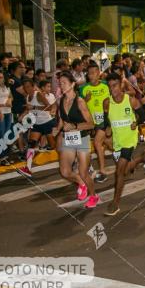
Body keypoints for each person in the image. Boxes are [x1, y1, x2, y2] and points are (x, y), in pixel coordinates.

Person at [54, 72, 99, 209]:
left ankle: (93, 196)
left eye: (64, 83)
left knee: (84, 172)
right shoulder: (61, 101)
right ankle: (81, 183)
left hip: (82, 139)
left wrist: (74, 126)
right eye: (60, 83)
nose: (61, 86)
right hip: (69, 139)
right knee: (65, 172)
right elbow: (62, 120)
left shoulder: (79, 102)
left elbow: (91, 124)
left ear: (72, 84)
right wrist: (58, 129)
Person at [102, 73, 144, 216]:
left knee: (119, 171)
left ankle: (115, 203)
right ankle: (143, 158)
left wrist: (136, 122)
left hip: (130, 139)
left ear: (121, 85)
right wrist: (107, 128)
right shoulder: (107, 103)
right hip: (117, 141)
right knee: (125, 170)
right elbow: (106, 120)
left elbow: (143, 115)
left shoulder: (131, 100)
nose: (112, 89)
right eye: (110, 86)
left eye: (114, 85)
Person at [81, 63, 111, 183]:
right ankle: (125, 156)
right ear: (87, 75)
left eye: (95, 72)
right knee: (110, 144)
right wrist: (85, 100)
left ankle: (103, 171)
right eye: (90, 73)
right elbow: (79, 105)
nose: (92, 75)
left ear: (99, 73)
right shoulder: (84, 88)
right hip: (91, 122)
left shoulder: (105, 86)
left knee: (97, 143)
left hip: (105, 118)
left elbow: (111, 101)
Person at [20, 80, 58, 176]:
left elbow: (49, 107)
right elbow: (29, 109)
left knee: (54, 146)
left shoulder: (38, 95)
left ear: (33, 86)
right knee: (31, 143)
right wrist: (23, 115)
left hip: (46, 122)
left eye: (28, 86)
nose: (27, 89)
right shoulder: (28, 97)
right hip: (36, 124)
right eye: (25, 87)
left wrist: (34, 107)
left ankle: (70, 161)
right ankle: (28, 168)